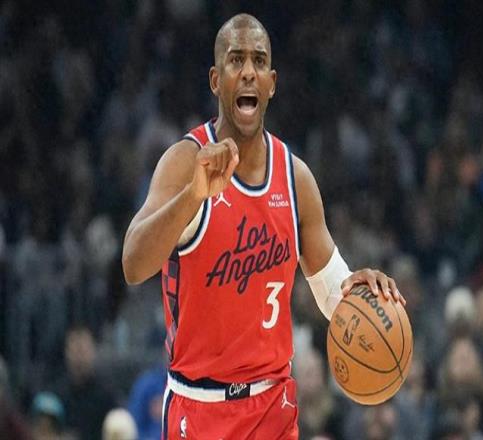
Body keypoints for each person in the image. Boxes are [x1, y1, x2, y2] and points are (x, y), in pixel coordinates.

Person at [122, 13, 405, 439]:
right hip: (198, 408)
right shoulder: (184, 162)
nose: (248, 71)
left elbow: (332, 293)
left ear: (272, 83)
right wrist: (193, 196)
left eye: (258, 61)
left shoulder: (295, 179)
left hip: (272, 408)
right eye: (236, 60)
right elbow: (133, 265)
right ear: (216, 80)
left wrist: (359, 292)